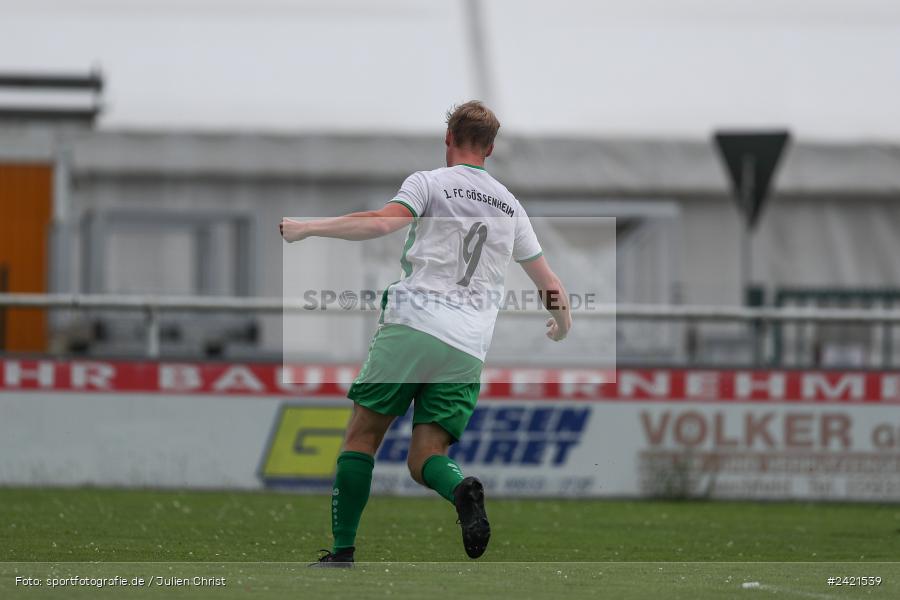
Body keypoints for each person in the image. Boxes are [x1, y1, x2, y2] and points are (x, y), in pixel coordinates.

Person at [280, 100, 571, 566]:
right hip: (467, 348)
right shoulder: (511, 207)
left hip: (414, 326)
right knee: (425, 458)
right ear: (490, 148)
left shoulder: (429, 183)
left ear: (448, 138)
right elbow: (549, 284)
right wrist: (563, 325)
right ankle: (459, 488)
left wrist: (309, 228)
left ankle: (343, 551)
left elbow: (382, 222)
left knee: (362, 437)